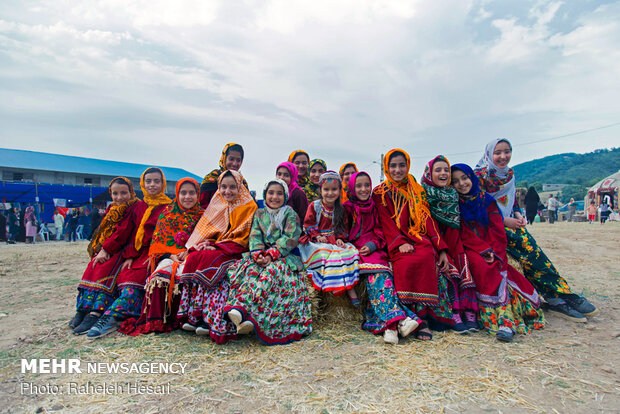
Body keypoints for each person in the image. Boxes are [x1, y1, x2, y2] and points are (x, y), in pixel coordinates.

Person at [475, 138, 597, 321]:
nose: (502, 156)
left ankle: (557, 296)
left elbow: (512, 200)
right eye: (497, 152)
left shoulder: (508, 175)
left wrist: (517, 214)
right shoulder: (479, 176)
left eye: (506, 151)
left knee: (532, 253)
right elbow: (475, 206)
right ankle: (560, 295)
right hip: (488, 226)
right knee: (530, 252)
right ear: (489, 154)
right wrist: (504, 220)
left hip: (509, 224)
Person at [451, 163, 544, 342]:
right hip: (470, 247)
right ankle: (500, 320)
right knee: (481, 266)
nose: (461, 184)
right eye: (455, 181)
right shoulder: (454, 204)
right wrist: (482, 250)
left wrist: (496, 252)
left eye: (464, 178)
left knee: (496, 267)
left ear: (472, 178)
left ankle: (506, 320)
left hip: (492, 246)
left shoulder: (486, 200)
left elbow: (497, 230)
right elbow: (462, 232)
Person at [373, 149, 454, 341]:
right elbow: (386, 222)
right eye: (393, 165)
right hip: (396, 240)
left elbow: (426, 218)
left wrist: (441, 247)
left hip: (418, 236)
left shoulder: (415, 189)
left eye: (402, 165)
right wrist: (399, 242)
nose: (397, 170)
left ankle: (424, 318)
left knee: (427, 255)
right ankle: (409, 316)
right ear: (386, 167)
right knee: (405, 263)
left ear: (408, 165)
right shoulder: (380, 192)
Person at [224, 179, 312, 344]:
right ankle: (240, 309)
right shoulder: (259, 214)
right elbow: (255, 236)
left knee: (272, 273)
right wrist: (258, 254)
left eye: (279, 193)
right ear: (265, 194)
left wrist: (272, 254)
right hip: (262, 255)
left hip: (284, 256)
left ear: (285, 196)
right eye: (271, 193)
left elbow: (290, 238)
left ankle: (253, 317)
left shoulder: (290, 214)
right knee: (247, 271)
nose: (275, 197)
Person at [86, 167, 171, 339]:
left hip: (155, 252)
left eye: (156, 181)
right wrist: (128, 253)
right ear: (142, 184)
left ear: (163, 183)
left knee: (136, 280)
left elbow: (168, 234)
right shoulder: (137, 206)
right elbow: (127, 231)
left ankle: (111, 318)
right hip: (136, 253)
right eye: (148, 181)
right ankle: (91, 311)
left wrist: (156, 253)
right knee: (122, 273)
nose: (152, 185)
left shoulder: (169, 207)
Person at [176, 170, 258, 343]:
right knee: (195, 257)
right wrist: (206, 243)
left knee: (213, 263)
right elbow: (210, 230)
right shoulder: (218, 202)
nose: (227, 191)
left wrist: (215, 245)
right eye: (223, 187)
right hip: (221, 246)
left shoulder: (248, 206)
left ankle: (212, 320)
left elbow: (242, 238)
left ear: (240, 187)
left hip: (237, 250)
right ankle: (194, 315)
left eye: (232, 187)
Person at [119, 177, 203, 336]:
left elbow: (207, 239)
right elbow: (157, 242)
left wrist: (190, 252)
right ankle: (158, 320)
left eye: (192, 192)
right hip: (169, 255)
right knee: (161, 275)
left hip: (193, 256)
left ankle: (187, 319)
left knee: (188, 274)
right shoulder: (167, 214)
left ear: (198, 194)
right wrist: (171, 256)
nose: (187, 197)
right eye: (183, 192)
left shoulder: (204, 217)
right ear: (177, 194)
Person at [344, 171, 420, 344]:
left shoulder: (375, 206)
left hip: (375, 250)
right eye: (359, 186)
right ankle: (401, 321)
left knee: (379, 275)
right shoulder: (347, 207)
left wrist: (372, 245)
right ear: (352, 188)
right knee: (377, 276)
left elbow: (381, 230)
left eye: (367, 185)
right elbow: (343, 232)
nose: (363, 189)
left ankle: (390, 327)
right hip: (356, 251)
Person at [69, 177, 139, 334]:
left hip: (121, 249)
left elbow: (123, 231)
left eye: (124, 193)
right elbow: (103, 230)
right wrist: (101, 249)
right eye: (115, 193)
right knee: (92, 266)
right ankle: (83, 309)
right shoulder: (111, 209)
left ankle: (96, 312)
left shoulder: (134, 207)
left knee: (105, 267)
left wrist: (107, 249)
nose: (119, 197)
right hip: (107, 248)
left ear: (131, 192)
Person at [421, 156, 479, 333]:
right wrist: (442, 250)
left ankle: (467, 312)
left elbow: (455, 227)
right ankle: (452, 312)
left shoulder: (452, 194)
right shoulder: (422, 194)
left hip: (452, 241)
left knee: (463, 263)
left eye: (446, 169)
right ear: (429, 173)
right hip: (433, 242)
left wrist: (454, 250)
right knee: (445, 269)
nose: (443, 173)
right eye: (438, 170)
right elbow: (426, 224)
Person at [299, 171, 361, 306]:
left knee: (349, 252)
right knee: (326, 253)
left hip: (333, 239)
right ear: (320, 190)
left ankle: (348, 288)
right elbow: (308, 223)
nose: (330, 193)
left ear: (339, 190)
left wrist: (340, 238)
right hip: (316, 240)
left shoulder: (341, 209)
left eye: (334, 189)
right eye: (326, 189)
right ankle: (336, 287)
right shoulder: (315, 206)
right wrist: (317, 235)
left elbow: (343, 227)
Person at [200, 143, 248, 208]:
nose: (234, 163)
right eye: (231, 159)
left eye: (238, 160)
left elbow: (247, 206)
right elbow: (201, 204)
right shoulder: (212, 178)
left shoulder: (242, 183)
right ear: (224, 158)